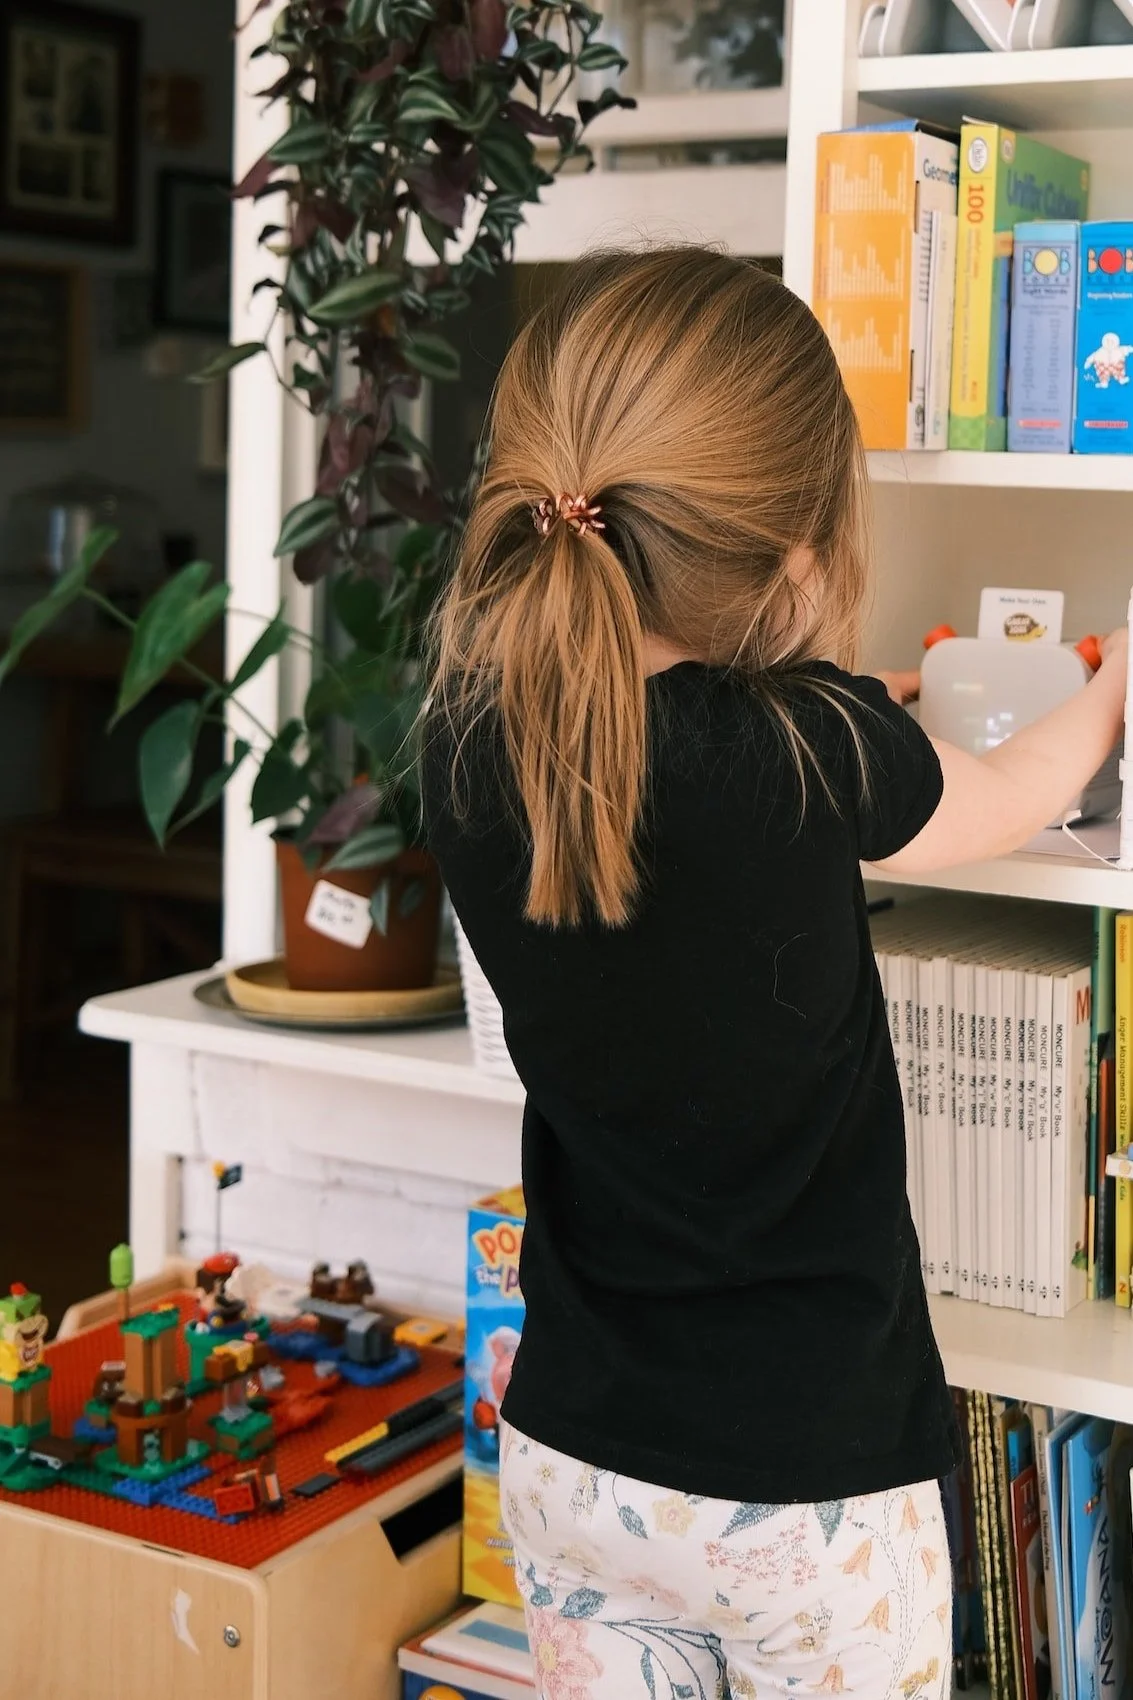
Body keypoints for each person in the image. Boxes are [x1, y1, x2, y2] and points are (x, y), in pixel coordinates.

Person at [422, 249, 1127, 1700]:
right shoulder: (814, 749)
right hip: (809, 1497)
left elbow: (687, 753)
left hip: (574, 1461)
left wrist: (878, 706)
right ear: (798, 546)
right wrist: (1111, 689)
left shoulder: (471, 732)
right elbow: (1005, 794)